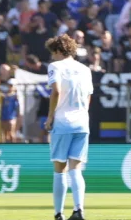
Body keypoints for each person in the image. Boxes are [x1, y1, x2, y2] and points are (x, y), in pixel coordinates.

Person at [45, 34, 93, 220]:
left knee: (59, 168)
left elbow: (56, 91)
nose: (52, 56)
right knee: (76, 168)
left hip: (63, 122)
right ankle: (79, 210)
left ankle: (58, 213)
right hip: (82, 122)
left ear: (57, 50)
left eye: (53, 53)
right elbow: (89, 96)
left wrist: (50, 117)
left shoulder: (55, 66)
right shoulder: (84, 69)